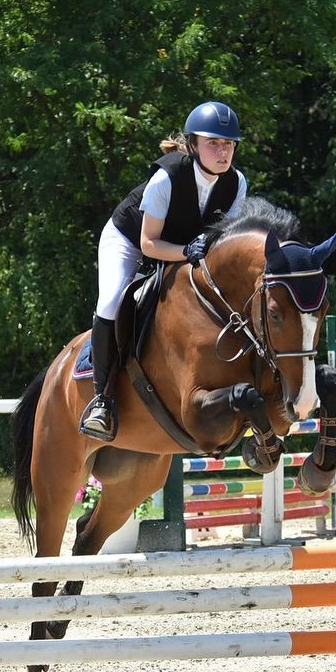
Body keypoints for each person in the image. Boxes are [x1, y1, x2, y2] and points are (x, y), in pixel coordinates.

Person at [79, 100, 249, 440]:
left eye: (228, 144)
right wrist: (186, 251)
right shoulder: (166, 178)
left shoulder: (237, 183)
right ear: (193, 144)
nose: (222, 151)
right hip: (131, 239)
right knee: (112, 300)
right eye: (213, 143)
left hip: (187, 250)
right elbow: (149, 245)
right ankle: (102, 400)